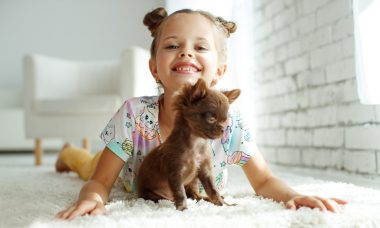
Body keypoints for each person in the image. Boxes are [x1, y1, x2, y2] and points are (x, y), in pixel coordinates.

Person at [55, 7, 347, 220]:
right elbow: (102, 181)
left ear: (219, 71)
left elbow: (264, 181)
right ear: (154, 67)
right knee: (87, 165)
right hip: (128, 172)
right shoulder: (133, 114)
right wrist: (93, 198)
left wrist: (293, 196)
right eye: (172, 45)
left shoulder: (230, 126)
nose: (185, 53)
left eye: (200, 47)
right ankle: (68, 153)